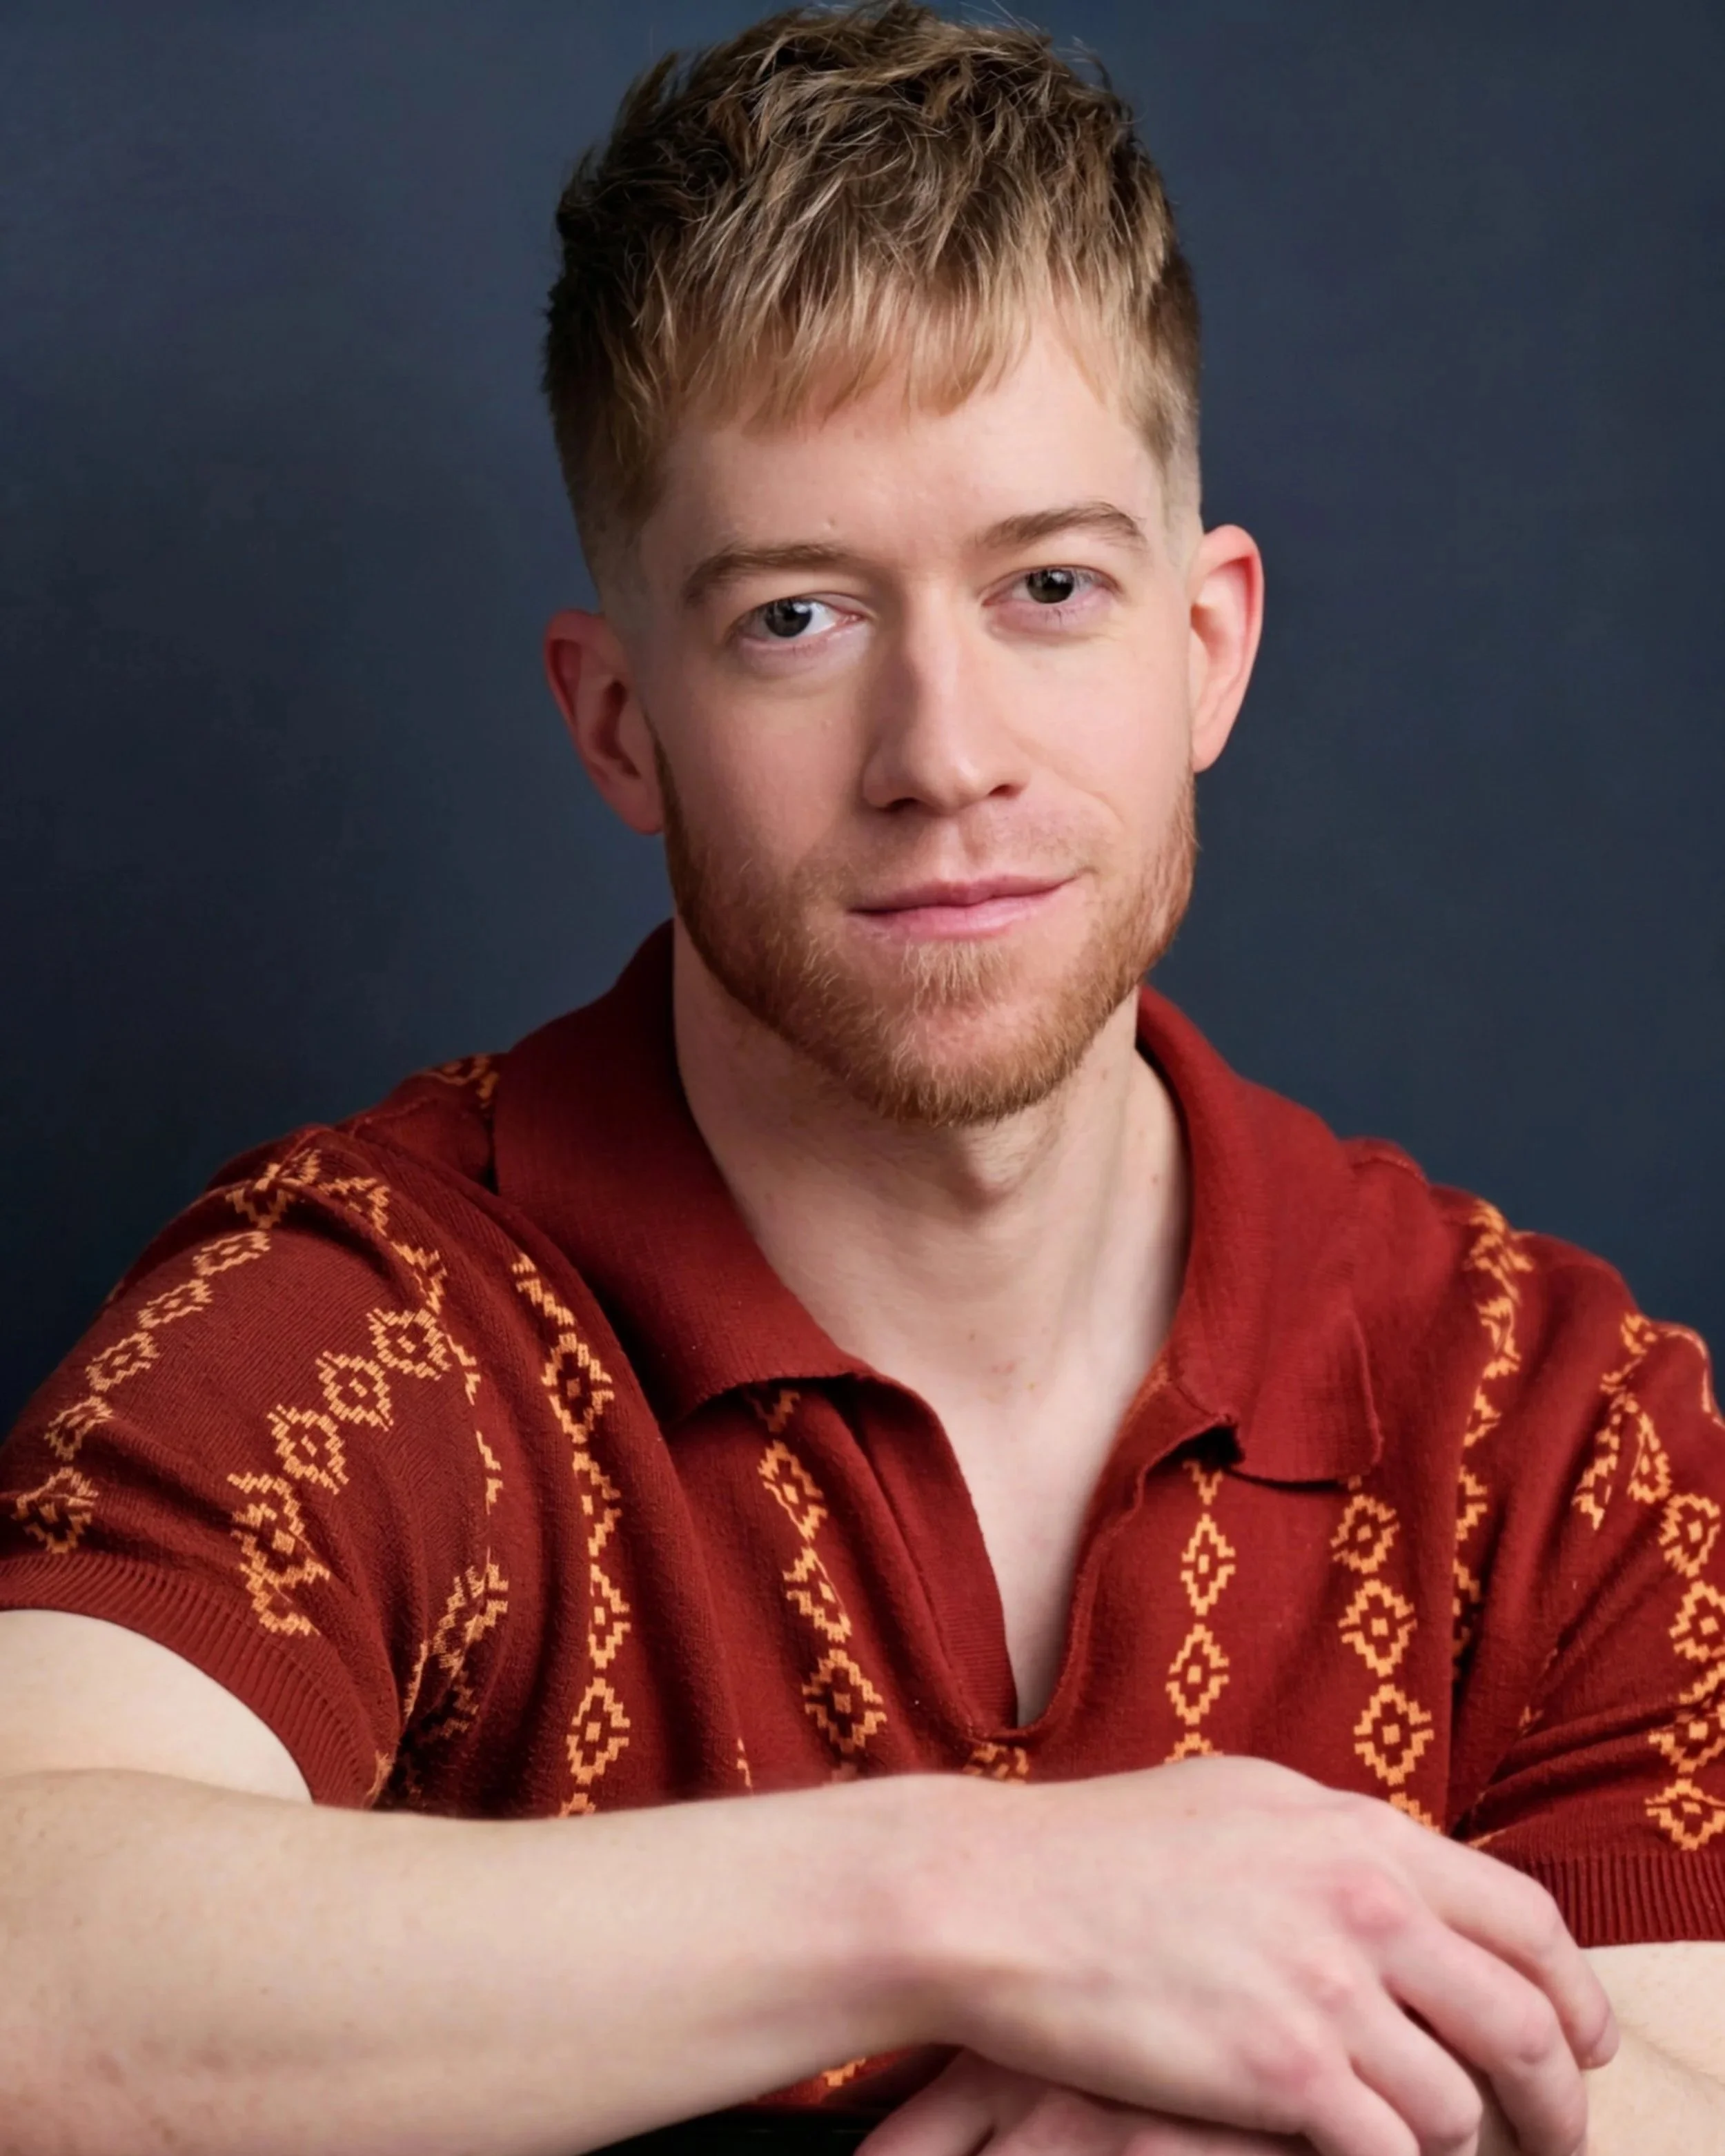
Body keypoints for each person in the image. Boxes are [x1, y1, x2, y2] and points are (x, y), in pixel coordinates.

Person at [0, 4, 1721, 2151]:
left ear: (1204, 646)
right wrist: (971, 1898)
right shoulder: (361, 1323)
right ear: (618, 723)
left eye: (1050, 587)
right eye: (796, 620)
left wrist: (1282, 2106)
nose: (943, 753)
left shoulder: (1550, 1422)